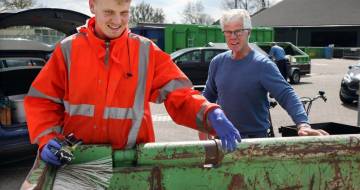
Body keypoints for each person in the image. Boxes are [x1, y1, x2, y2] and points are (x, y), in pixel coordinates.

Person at [24, 0, 241, 166]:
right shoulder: (68, 50)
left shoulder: (145, 51)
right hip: (78, 161)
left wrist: (209, 112)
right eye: (109, 12)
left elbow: (179, 94)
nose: (117, 21)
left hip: (133, 161)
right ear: (92, 6)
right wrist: (47, 137)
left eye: (124, 13)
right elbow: (42, 100)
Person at [202, 9, 328, 139]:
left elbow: (286, 94)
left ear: (248, 32)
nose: (233, 36)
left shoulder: (262, 65)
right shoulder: (217, 62)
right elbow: (208, 96)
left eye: (238, 31)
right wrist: (202, 124)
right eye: (228, 32)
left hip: (253, 140)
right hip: (224, 137)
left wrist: (303, 124)